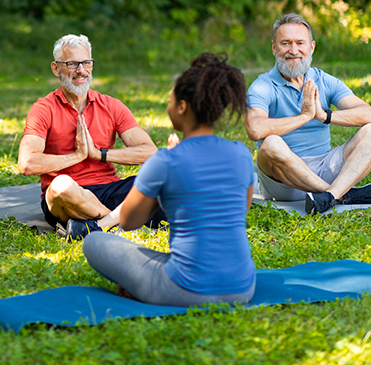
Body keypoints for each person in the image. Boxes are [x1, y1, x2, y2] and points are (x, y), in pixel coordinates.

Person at [83, 53, 256, 307]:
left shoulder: (165, 162)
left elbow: (130, 222)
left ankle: (141, 287)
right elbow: (242, 210)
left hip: (184, 290)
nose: (168, 106)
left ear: (182, 107)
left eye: (169, 100)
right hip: (243, 288)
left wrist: (160, 190)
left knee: (94, 241)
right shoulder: (241, 153)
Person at [17, 34, 165, 240]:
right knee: (61, 186)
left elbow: (150, 152)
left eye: (86, 62)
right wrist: (78, 156)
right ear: (56, 68)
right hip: (67, 198)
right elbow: (27, 164)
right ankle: (122, 219)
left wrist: (98, 154)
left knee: (167, 176)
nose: (81, 70)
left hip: (109, 190)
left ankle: (98, 226)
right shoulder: (43, 109)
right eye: (72, 63)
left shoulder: (111, 105)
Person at [244, 13, 371, 215]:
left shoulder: (324, 80)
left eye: (300, 43)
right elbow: (254, 129)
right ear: (274, 48)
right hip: (283, 182)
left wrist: (324, 116)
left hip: (324, 167)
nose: (293, 51)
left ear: (311, 47)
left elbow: (368, 114)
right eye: (285, 43)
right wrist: (303, 117)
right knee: (270, 144)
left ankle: (328, 196)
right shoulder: (262, 86)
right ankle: (341, 194)